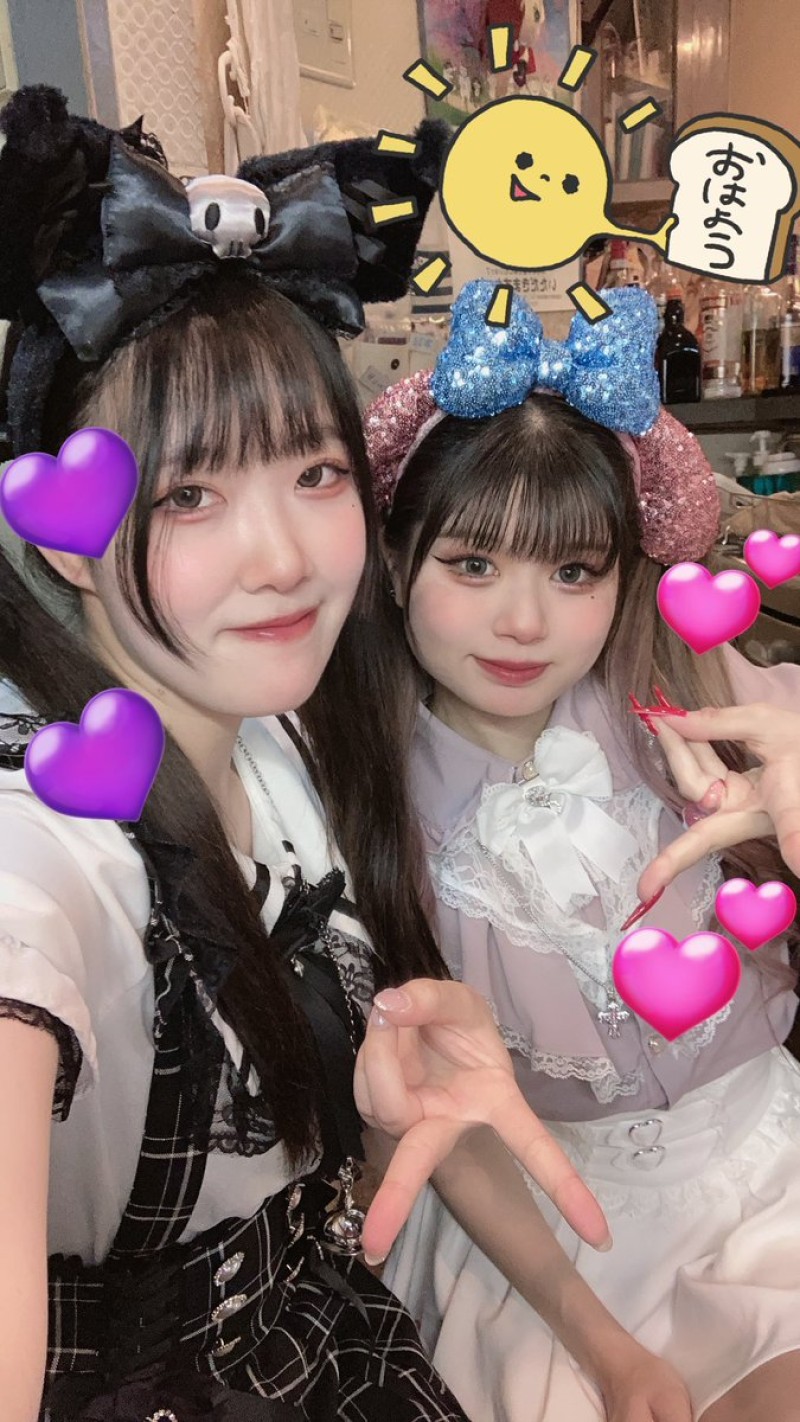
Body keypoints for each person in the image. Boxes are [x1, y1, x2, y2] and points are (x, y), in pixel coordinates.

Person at [0, 92, 612, 1422]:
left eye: (315, 474)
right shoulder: (41, 850)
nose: (281, 559)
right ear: (62, 536)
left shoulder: (280, 742)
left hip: (329, 1338)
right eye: (189, 494)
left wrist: (382, 1121)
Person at [363, 278, 800, 1422]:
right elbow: (441, 1117)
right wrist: (604, 1351)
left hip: (767, 1173)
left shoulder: (686, 694)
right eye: (472, 565)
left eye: (571, 572)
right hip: (538, 1240)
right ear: (394, 564)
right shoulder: (365, 810)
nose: (523, 622)